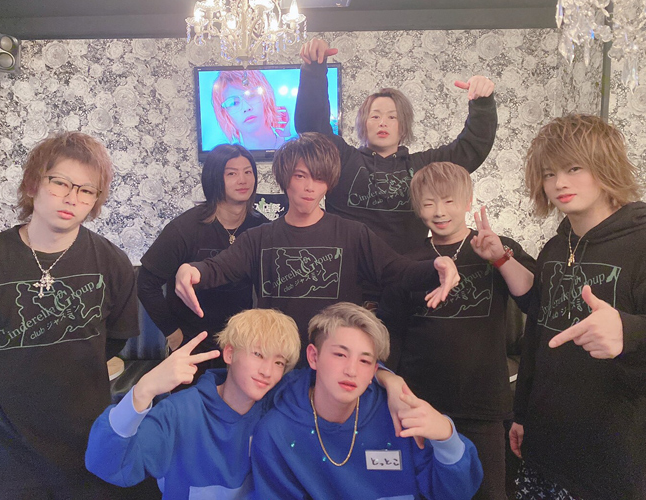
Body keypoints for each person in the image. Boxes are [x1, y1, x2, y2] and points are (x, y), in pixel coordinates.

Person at [0, 132, 139, 498]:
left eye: (86, 190)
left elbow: (112, 341)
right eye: (60, 182)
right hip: (2, 465)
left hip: (87, 459)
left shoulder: (113, 263)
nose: (72, 198)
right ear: (34, 183)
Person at [174, 132, 460, 356]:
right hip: (278, 362)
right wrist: (191, 270)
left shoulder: (352, 234)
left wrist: (438, 265)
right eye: (301, 176)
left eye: (319, 178)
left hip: (334, 362)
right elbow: (218, 268)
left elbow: (397, 270)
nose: (310, 187)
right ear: (285, 178)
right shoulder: (259, 238)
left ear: (329, 183)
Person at [377, 161, 535, 500]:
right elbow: (391, 332)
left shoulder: (496, 247)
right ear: (417, 207)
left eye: (449, 201)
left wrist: (500, 258)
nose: (439, 212)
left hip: (483, 407)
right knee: (425, 491)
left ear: (467, 201)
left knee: (488, 493)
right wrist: (390, 383)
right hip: (420, 404)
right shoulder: (408, 261)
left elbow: (532, 300)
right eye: (429, 203)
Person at [510, 114, 646, 499]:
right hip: (545, 449)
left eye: (573, 168)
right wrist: (522, 415)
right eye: (549, 173)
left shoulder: (641, 242)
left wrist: (629, 331)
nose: (559, 184)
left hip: (611, 462)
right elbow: (536, 338)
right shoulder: (555, 248)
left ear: (605, 166)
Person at [250, 302, 484, 499]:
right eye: (340, 354)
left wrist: (446, 438)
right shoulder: (276, 431)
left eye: (364, 361)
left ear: (375, 369)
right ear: (313, 356)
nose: (351, 370)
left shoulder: (399, 414)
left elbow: (455, 494)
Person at [295, 38, 498, 257]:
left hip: (407, 271)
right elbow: (312, 127)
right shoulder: (341, 159)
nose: (383, 122)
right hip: (347, 269)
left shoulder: (423, 168)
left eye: (392, 117)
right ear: (363, 124)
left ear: (403, 127)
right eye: (375, 116)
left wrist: (482, 102)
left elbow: (470, 149)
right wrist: (314, 69)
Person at [85, 308, 301, 500]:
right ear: (229, 353)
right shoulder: (180, 413)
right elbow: (108, 465)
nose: (267, 371)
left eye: (278, 362)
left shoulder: (276, 416)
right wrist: (143, 390)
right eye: (258, 354)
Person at [138, 144, 268, 357]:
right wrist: (172, 333)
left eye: (248, 172)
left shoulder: (261, 227)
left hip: (240, 342)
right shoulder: (185, 228)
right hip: (192, 341)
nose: (243, 180)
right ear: (214, 178)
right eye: (232, 174)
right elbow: (145, 283)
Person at [212, 70, 291, 150]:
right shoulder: (232, 156)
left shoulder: (291, 149)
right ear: (224, 114)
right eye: (234, 103)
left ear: (266, 98)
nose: (246, 108)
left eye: (252, 96)